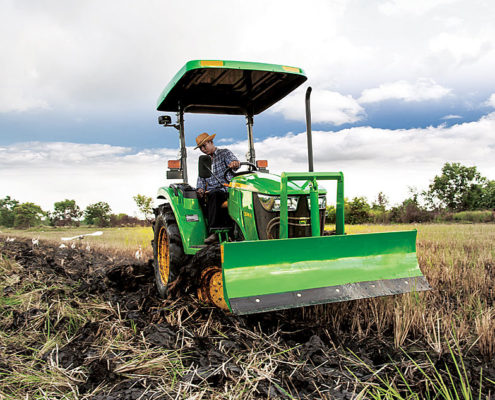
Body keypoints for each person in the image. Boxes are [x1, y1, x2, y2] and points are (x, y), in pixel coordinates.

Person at [195, 132, 240, 244]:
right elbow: (201, 178)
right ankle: (212, 231)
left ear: (211, 142)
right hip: (212, 192)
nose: (203, 149)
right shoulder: (204, 161)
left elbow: (233, 162)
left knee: (215, 194)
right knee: (204, 196)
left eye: (204, 146)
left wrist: (234, 163)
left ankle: (218, 232)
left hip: (227, 189)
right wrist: (200, 189)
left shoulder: (224, 153)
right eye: (200, 148)